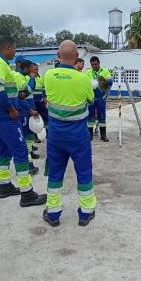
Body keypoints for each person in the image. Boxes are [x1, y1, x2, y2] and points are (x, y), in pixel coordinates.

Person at [0, 37, 46, 204]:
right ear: (8, 47)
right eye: (14, 49)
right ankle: (27, 193)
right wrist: (11, 109)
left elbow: (13, 91)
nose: (15, 52)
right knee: (20, 151)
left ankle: (4, 186)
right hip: (5, 114)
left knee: (2, 151)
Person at [43, 40, 96, 227]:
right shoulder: (83, 79)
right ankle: (86, 213)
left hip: (56, 134)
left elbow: (48, 98)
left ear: (58, 55)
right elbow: (90, 99)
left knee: (55, 173)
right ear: (76, 58)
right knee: (84, 171)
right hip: (78, 134)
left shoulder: (48, 75)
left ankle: (53, 213)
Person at [14, 59, 41, 171]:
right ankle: (27, 165)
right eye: (31, 67)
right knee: (23, 137)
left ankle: (29, 155)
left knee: (29, 134)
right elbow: (26, 91)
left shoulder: (24, 76)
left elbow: (30, 89)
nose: (33, 70)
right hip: (23, 109)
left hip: (29, 107)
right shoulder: (17, 76)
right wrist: (29, 110)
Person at [85, 56, 113, 142]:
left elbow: (110, 82)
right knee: (90, 116)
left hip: (101, 97)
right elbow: (84, 83)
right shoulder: (87, 72)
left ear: (99, 63)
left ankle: (103, 135)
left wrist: (104, 80)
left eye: (96, 64)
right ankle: (90, 136)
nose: (94, 66)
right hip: (91, 98)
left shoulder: (105, 70)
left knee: (102, 116)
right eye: (92, 65)